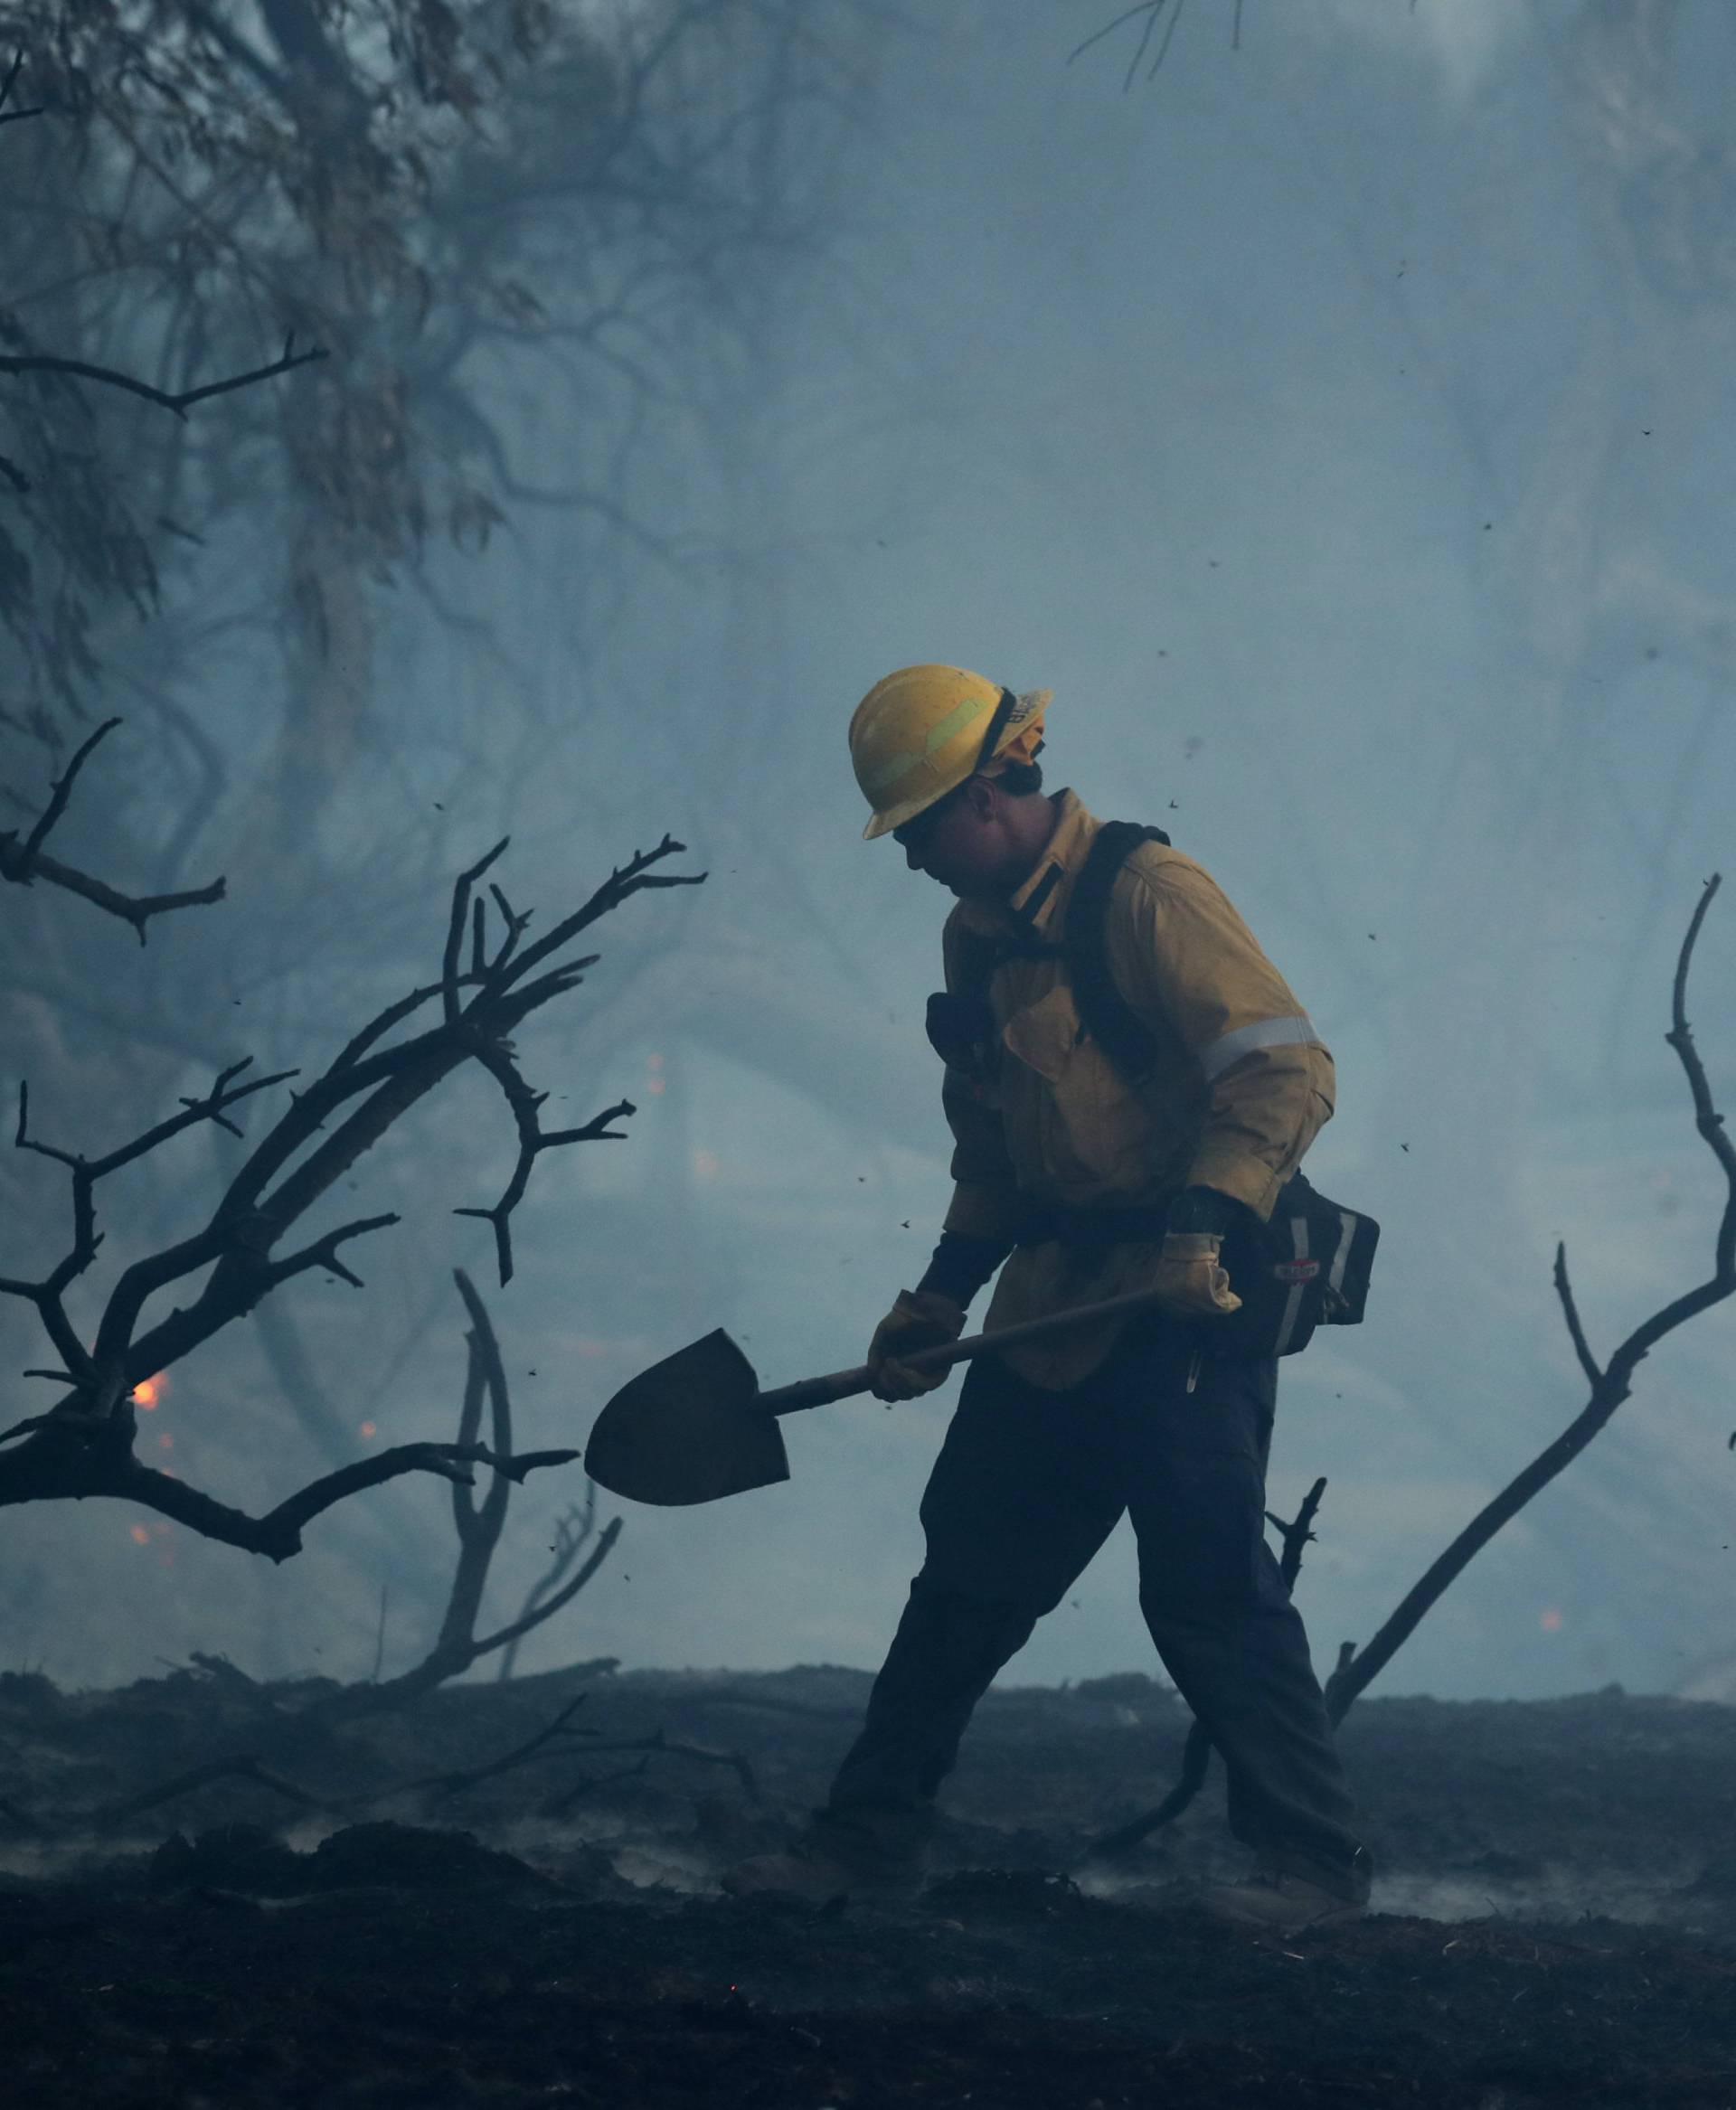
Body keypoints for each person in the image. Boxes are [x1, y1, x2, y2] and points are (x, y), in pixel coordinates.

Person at [723, 664, 1370, 1931]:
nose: (910, 857)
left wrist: (1202, 1229)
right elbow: (995, 1151)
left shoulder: (1148, 894)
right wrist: (937, 1296)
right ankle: (862, 1844)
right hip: (1051, 1305)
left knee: (1205, 1588)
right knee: (965, 1571)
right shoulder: (974, 934)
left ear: (993, 789)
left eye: (920, 827)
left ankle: (1311, 1866)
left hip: (1190, 1301)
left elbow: (1287, 1071)